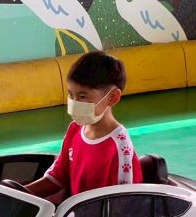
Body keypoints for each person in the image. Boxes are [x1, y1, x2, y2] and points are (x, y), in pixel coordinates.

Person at [26, 51, 142, 201]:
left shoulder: (120, 148)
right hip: (73, 211)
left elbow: (124, 204)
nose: (74, 102)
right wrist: (20, 192)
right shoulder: (75, 129)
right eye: (70, 95)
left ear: (112, 98)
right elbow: (58, 177)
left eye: (82, 96)